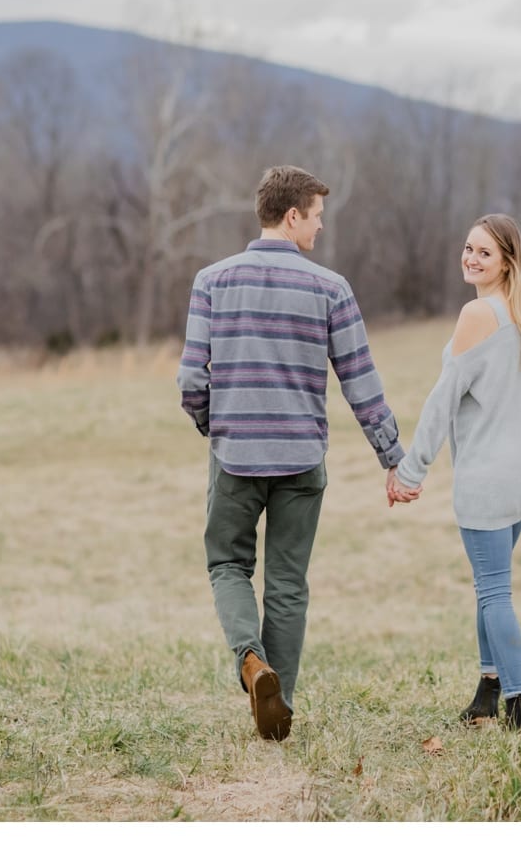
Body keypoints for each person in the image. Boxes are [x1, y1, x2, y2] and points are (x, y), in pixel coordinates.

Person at [178, 165, 405, 741]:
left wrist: (217, 425)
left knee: (228, 564)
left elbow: (189, 380)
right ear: (292, 215)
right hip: (302, 457)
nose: (320, 230)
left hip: (235, 455)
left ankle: (252, 663)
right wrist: (391, 453)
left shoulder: (212, 281)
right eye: (317, 217)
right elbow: (361, 380)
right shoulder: (331, 288)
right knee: (287, 582)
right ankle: (279, 709)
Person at [386, 213, 521, 731]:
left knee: (493, 592)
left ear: (507, 261)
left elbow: (441, 403)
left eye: (484, 252)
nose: (471, 258)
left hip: (488, 480)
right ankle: (488, 691)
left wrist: (411, 471)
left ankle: (520, 705)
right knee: (491, 586)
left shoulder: (476, 314)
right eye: (467, 248)